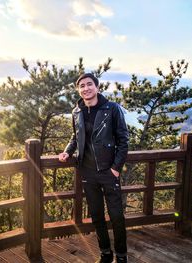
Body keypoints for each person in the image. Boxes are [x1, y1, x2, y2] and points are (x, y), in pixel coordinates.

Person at [59, 73, 129, 263]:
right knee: (97, 216)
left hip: (108, 171)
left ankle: (121, 256)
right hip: (87, 172)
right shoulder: (77, 112)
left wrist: (115, 168)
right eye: (82, 86)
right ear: (78, 90)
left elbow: (124, 141)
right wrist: (67, 152)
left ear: (97, 87)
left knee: (116, 216)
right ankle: (105, 254)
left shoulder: (112, 109)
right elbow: (75, 138)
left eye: (89, 84)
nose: (86, 88)